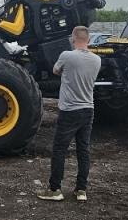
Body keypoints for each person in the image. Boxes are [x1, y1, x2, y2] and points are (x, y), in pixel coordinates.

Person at [37, 26, 100, 201]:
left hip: (69, 110)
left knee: (59, 149)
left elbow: (56, 71)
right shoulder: (97, 60)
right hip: (88, 109)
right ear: (88, 40)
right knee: (83, 150)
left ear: (73, 39)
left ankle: (55, 189)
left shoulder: (67, 56)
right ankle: (81, 190)